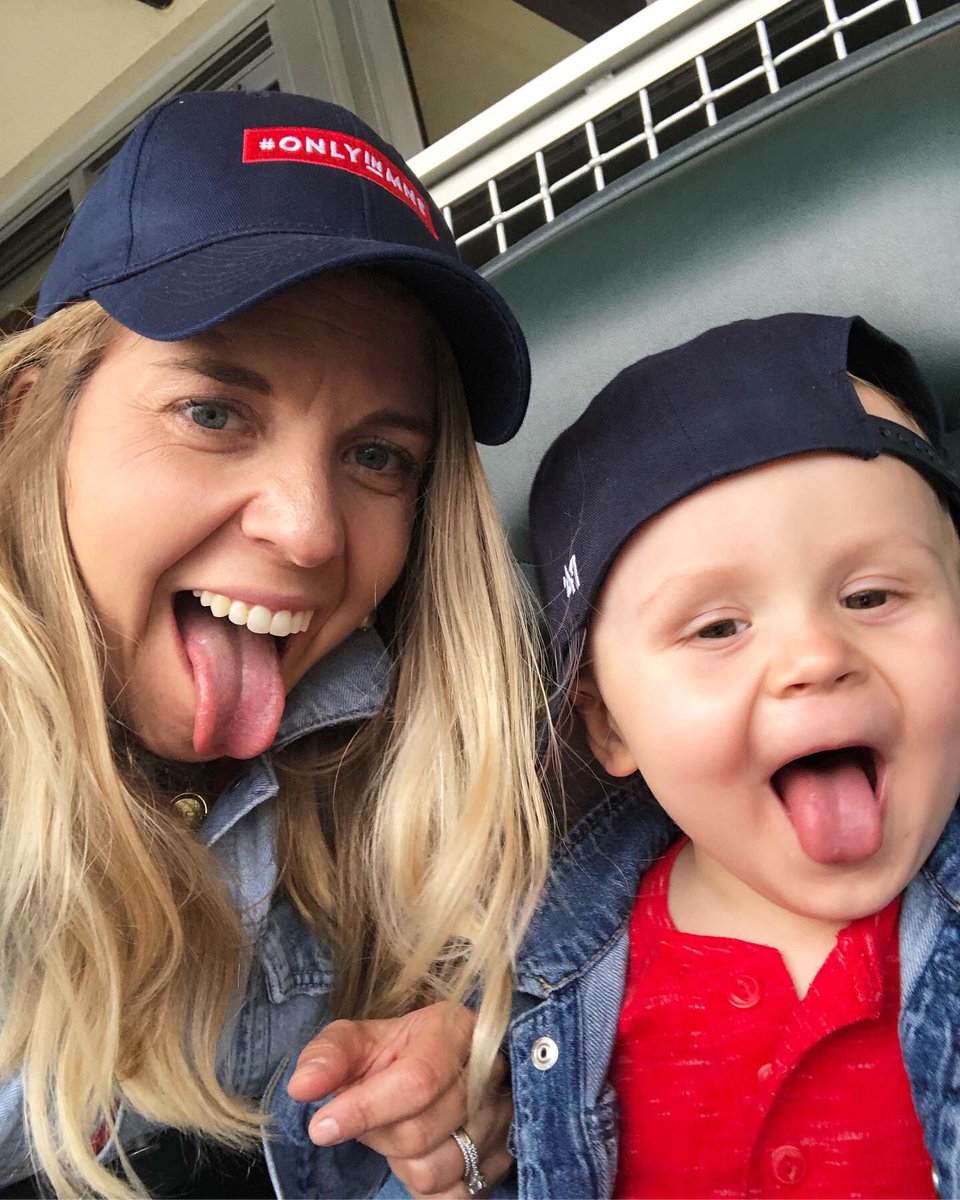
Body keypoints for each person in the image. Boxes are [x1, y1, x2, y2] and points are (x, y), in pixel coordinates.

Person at [0, 89, 551, 1198]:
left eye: (378, 457)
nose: (308, 532)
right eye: (212, 412)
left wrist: (479, 1074)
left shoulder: (417, 756)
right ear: (25, 421)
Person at [502, 313, 960, 1198]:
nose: (815, 656)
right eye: (718, 628)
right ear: (611, 725)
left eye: (872, 596)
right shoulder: (531, 983)